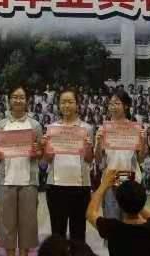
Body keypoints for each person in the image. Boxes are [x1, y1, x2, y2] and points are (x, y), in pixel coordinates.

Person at [0, 85, 43, 256]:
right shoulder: (1, 125)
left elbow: (40, 154)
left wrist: (37, 152)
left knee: (28, 224)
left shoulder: (35, 125)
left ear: (27, 100)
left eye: (21, 97)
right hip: (6, 180)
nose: (18, 100)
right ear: (9, 100)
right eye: (15, 97)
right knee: (6, 224)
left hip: (29, 181)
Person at [43, 88, 95, 246]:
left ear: (77, 105)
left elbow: (89, 159)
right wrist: (46, 146)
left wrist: (88, 147)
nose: (66, 105)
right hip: (56, 186)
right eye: (63, 102)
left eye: (70, 102)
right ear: (59, 105)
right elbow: (48, 159)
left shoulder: (87, 128)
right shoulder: (52, 128)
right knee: (57, 233)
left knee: (78, 234)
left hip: (80, 186)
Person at [93, 89, 147, 222]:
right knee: (112, 224)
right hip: (109, 182)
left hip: (131, 182)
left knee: (130, 224)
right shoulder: (104, 129)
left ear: (126, 106)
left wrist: (144, 140)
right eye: (111, 104)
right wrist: (98, 142)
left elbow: (141, 159)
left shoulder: (135, 129)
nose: (113, 107)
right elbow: (98, 159)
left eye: (117, 103)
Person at [86, 168, 150, 256]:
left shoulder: (112, 228)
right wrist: (133, 198)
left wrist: (104, 184)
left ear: (119, 204)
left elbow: (90, 213)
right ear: (143, 200)